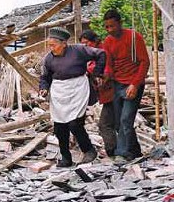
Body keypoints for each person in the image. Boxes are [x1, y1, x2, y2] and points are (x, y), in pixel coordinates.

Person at [39, 27, 106, 167]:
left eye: (53, 45)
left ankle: (89, 150)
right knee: (59, 127)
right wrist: (44, 88)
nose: (51, 48)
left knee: (75, 124)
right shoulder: (48, 59)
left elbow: (101, 54)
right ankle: (66, 158)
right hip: (59, 91)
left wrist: (97, 74)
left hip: (77, 88)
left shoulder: (79, 50)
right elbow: (45, 77)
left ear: (64, 43)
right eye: (49, 45)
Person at [102, 9, 150, 163]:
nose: (109, 30)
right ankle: (135, 151)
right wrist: (104, 76)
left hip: (133, 83)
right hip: (117, 83)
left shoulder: (134, 37)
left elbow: (145, 62)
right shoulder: (108, 41)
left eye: (112, 26)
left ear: (120, 23)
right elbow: (109, 65)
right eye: (107, 27)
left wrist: (135, 85)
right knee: (119, 122)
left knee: (126, 119)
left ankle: (122, 153)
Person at [79, 29, 117, 157]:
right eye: (83, 45)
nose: (85, 47)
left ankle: (114, 152)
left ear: (94, 41)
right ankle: (127, 151)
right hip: (106, 95)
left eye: (87, 43)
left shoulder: (103, 53)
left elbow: (107, 69)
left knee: (105, 124)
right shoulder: (91, 57)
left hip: (113, 93)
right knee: (117, 123)